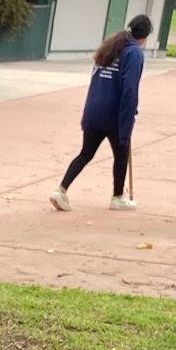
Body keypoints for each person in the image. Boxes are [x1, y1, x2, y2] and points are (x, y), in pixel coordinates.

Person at [50, 14, 152, 213]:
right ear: (145, 36)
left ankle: (60, 190)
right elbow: (130, 89)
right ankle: (117, 197)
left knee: (86, 153)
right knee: (121, 153)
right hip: (114, 113)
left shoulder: (109, 47)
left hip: (94, 110)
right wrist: (129, 117)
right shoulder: (134, 53)